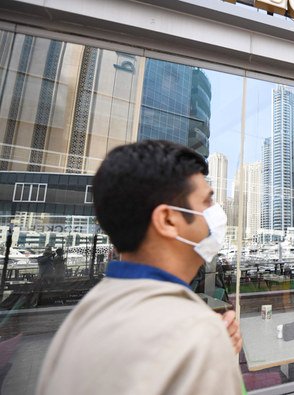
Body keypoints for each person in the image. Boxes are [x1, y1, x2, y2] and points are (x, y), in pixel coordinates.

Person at [37, 140, 244, 394]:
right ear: (167, 220)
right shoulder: (194, 333)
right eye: (207, 202)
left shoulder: (83, 316)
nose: (217, 214)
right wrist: (213, 353)